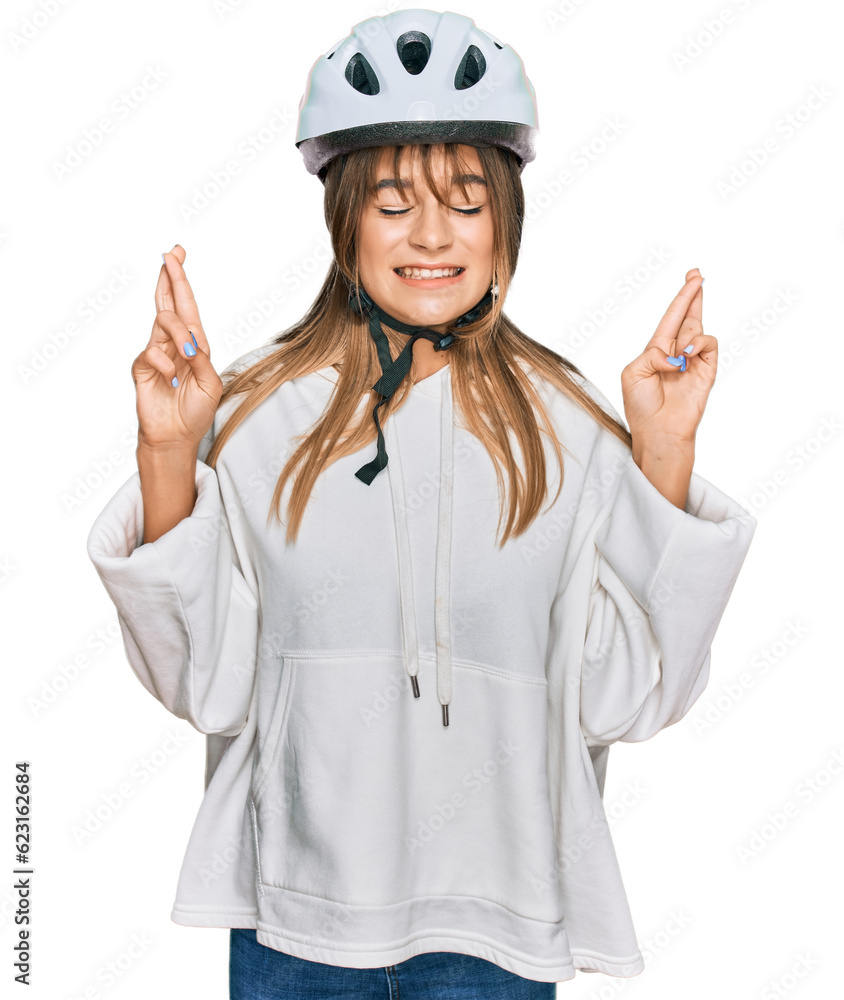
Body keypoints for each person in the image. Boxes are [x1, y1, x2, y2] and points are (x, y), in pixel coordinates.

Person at [86, 9, 757, 999]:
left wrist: (661, 453)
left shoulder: (566, 432)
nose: (433, 234)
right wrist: (167, 454)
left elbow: (626, 696)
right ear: (343, 216)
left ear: (506, 220)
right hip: (293, 927)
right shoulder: (257, 415)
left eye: (466, 199)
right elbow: (209, 687)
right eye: (393, 201)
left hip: (498, 933)